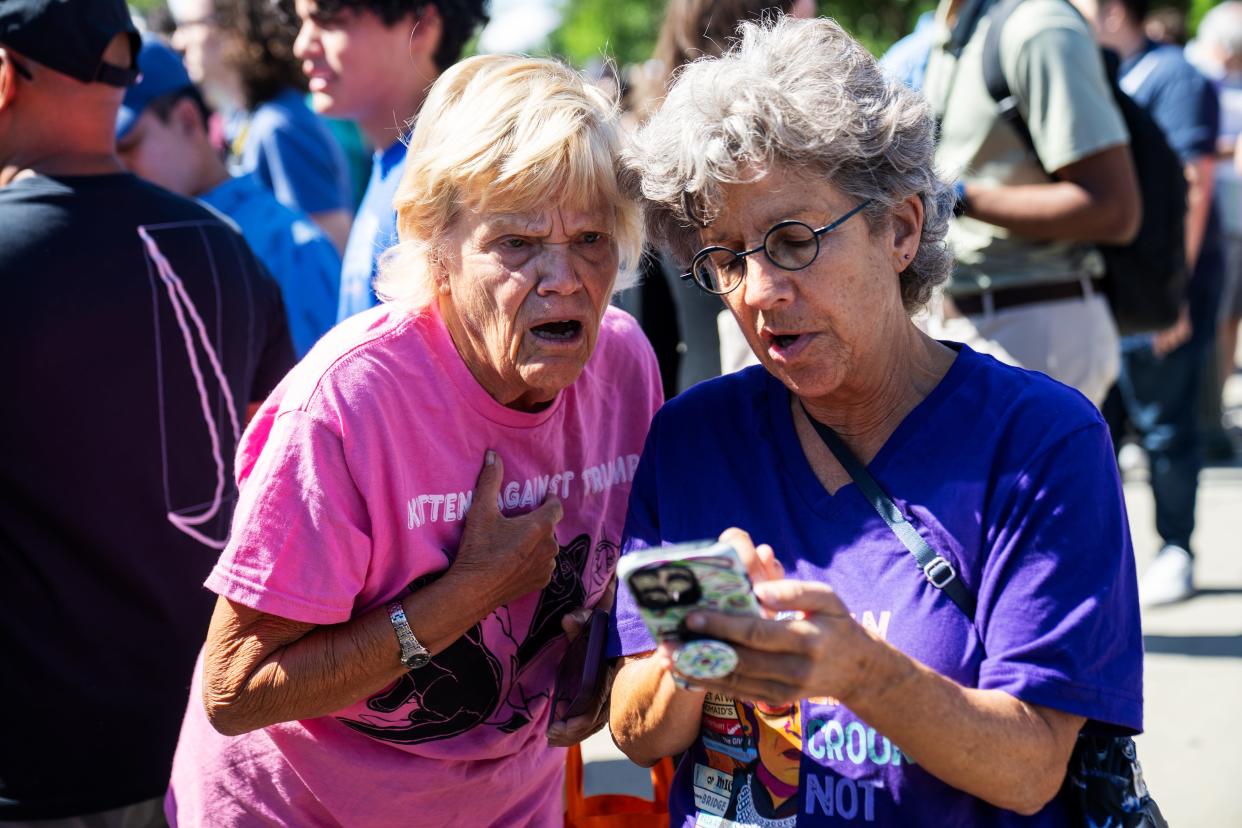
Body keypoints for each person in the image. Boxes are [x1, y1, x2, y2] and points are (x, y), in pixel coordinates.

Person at [609, 16, 1143, 826]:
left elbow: (1033, 766)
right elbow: (636, 734)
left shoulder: (1040, 442)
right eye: (725, 257)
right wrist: (696, 651)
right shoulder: (691, 440)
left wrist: (861, 672)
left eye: (792, 241)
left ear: (900, 229)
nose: (757, 291)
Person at [165, 54, 662, 827]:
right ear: (437, 248)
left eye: (593, 238)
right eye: (518, 243)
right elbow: (234, 690)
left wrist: (600, 655)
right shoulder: (351, 403)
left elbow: (609, 578)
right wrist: (468, 593)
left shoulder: (625, 366)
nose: (564, 278)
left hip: (501, 804)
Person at [0, 0, 295, 824]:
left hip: (40, 775)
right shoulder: (228, 248)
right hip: (209, 754)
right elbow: (284, 483)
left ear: (5, 77)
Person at [920, 0, 1141, 406]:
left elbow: (1114, 210)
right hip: (975, 323)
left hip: (1034, 327)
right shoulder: (959, 22)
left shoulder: (1040, 25)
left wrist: (954, 196)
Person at [1073, 0, 1220, 605]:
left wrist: (1174, 294)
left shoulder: (1175, 76)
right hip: (1110, 292)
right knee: (1100, 431)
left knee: (1165, 430)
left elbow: (1195, 182)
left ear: (1112, 9)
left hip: (1158, 291)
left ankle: (1176, 549)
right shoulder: (1102, 66)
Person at [629, 0, 815, 394]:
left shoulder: (655, 149)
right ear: (770, 17)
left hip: (701, 394)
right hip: (767, 395)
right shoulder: (811, 150)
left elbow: (649, 327)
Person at [117, 37, 341, 357]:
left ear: (187, 120)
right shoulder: (136, 244)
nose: (118, 167)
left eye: (129, 146)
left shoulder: (290, 247)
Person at [291, 0, 488, 322]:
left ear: (421, 24)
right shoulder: (396, 163)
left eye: (330, 20)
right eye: (301, 23)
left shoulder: (447, 180)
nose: (302, 46)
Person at [169, 0, 354, 252]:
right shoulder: (245, 119)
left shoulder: (280, 127)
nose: (178, 41)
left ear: (233, 29)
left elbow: (331, 246)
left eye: (191, 25)